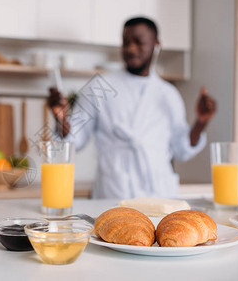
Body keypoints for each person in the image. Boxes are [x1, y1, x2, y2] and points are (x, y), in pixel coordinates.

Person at [47, 17, 216, 199]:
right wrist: (60, 118)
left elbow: (182, 149)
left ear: (156, 44)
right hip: (113, 191)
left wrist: (200, 123)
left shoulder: (168, 94)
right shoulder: (99, 87)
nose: (130, 49)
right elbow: (73, 141)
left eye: (139, 42)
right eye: (126, 42)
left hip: (158, 194)